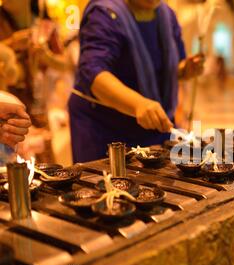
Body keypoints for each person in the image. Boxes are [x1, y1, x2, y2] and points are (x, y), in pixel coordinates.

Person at [69, 0, 204, 163]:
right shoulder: (105, 14)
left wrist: (184, 70)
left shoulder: (166, 15)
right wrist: (138, 104)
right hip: (105, 128)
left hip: (151, 125)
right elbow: (93, 74)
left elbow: (171, 68)